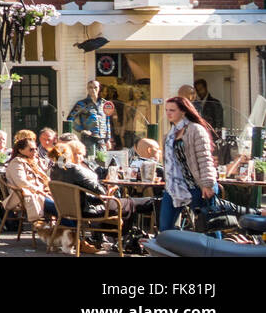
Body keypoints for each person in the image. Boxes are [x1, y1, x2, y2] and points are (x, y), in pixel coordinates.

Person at [50, 139, 155, 248]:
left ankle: (124, 237)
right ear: (70, 154)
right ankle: (127, 238)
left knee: (130, 202)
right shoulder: (75, 169)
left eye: (81, 154)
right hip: (89, 209)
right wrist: (107, 190)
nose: (80, 157)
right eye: (76, 154)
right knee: (131, 202)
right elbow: (98, 190)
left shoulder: (55, 170)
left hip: (70, 209)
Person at [158, 95, 218, 231]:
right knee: (165, 227)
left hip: (197, 186)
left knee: (208, 228)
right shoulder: (169, 136)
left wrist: (207, 184)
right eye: (166, 110)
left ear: (183, 111)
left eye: (172, 110)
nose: (168, 113)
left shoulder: (195, 130)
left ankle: (217, 251)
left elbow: (204, 159)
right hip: (174, 186)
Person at [5, 137, 57, 220]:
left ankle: (67, 229)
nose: (35, 152)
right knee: (59, 208)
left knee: (65, 205)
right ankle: (70, 230)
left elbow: (50, 165)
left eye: (36, 149)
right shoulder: (17, 162)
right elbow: (21, 182)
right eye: (31, 150)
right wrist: (38, 190)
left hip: (43, 193)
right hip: (28, 196)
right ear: (21, 150)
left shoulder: (34, 161)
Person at [67, 80, 112, 157]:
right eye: (90, 87)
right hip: (88, 138)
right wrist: (81, 130)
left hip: (102, 139)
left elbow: (107, 121)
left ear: (99, 89)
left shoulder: (104, 103)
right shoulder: (82, 104)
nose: (93, 90)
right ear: (87, 89)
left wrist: (108, 139)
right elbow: (70, 119)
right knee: (90, 161)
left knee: (102, 161)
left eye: (95, 87)